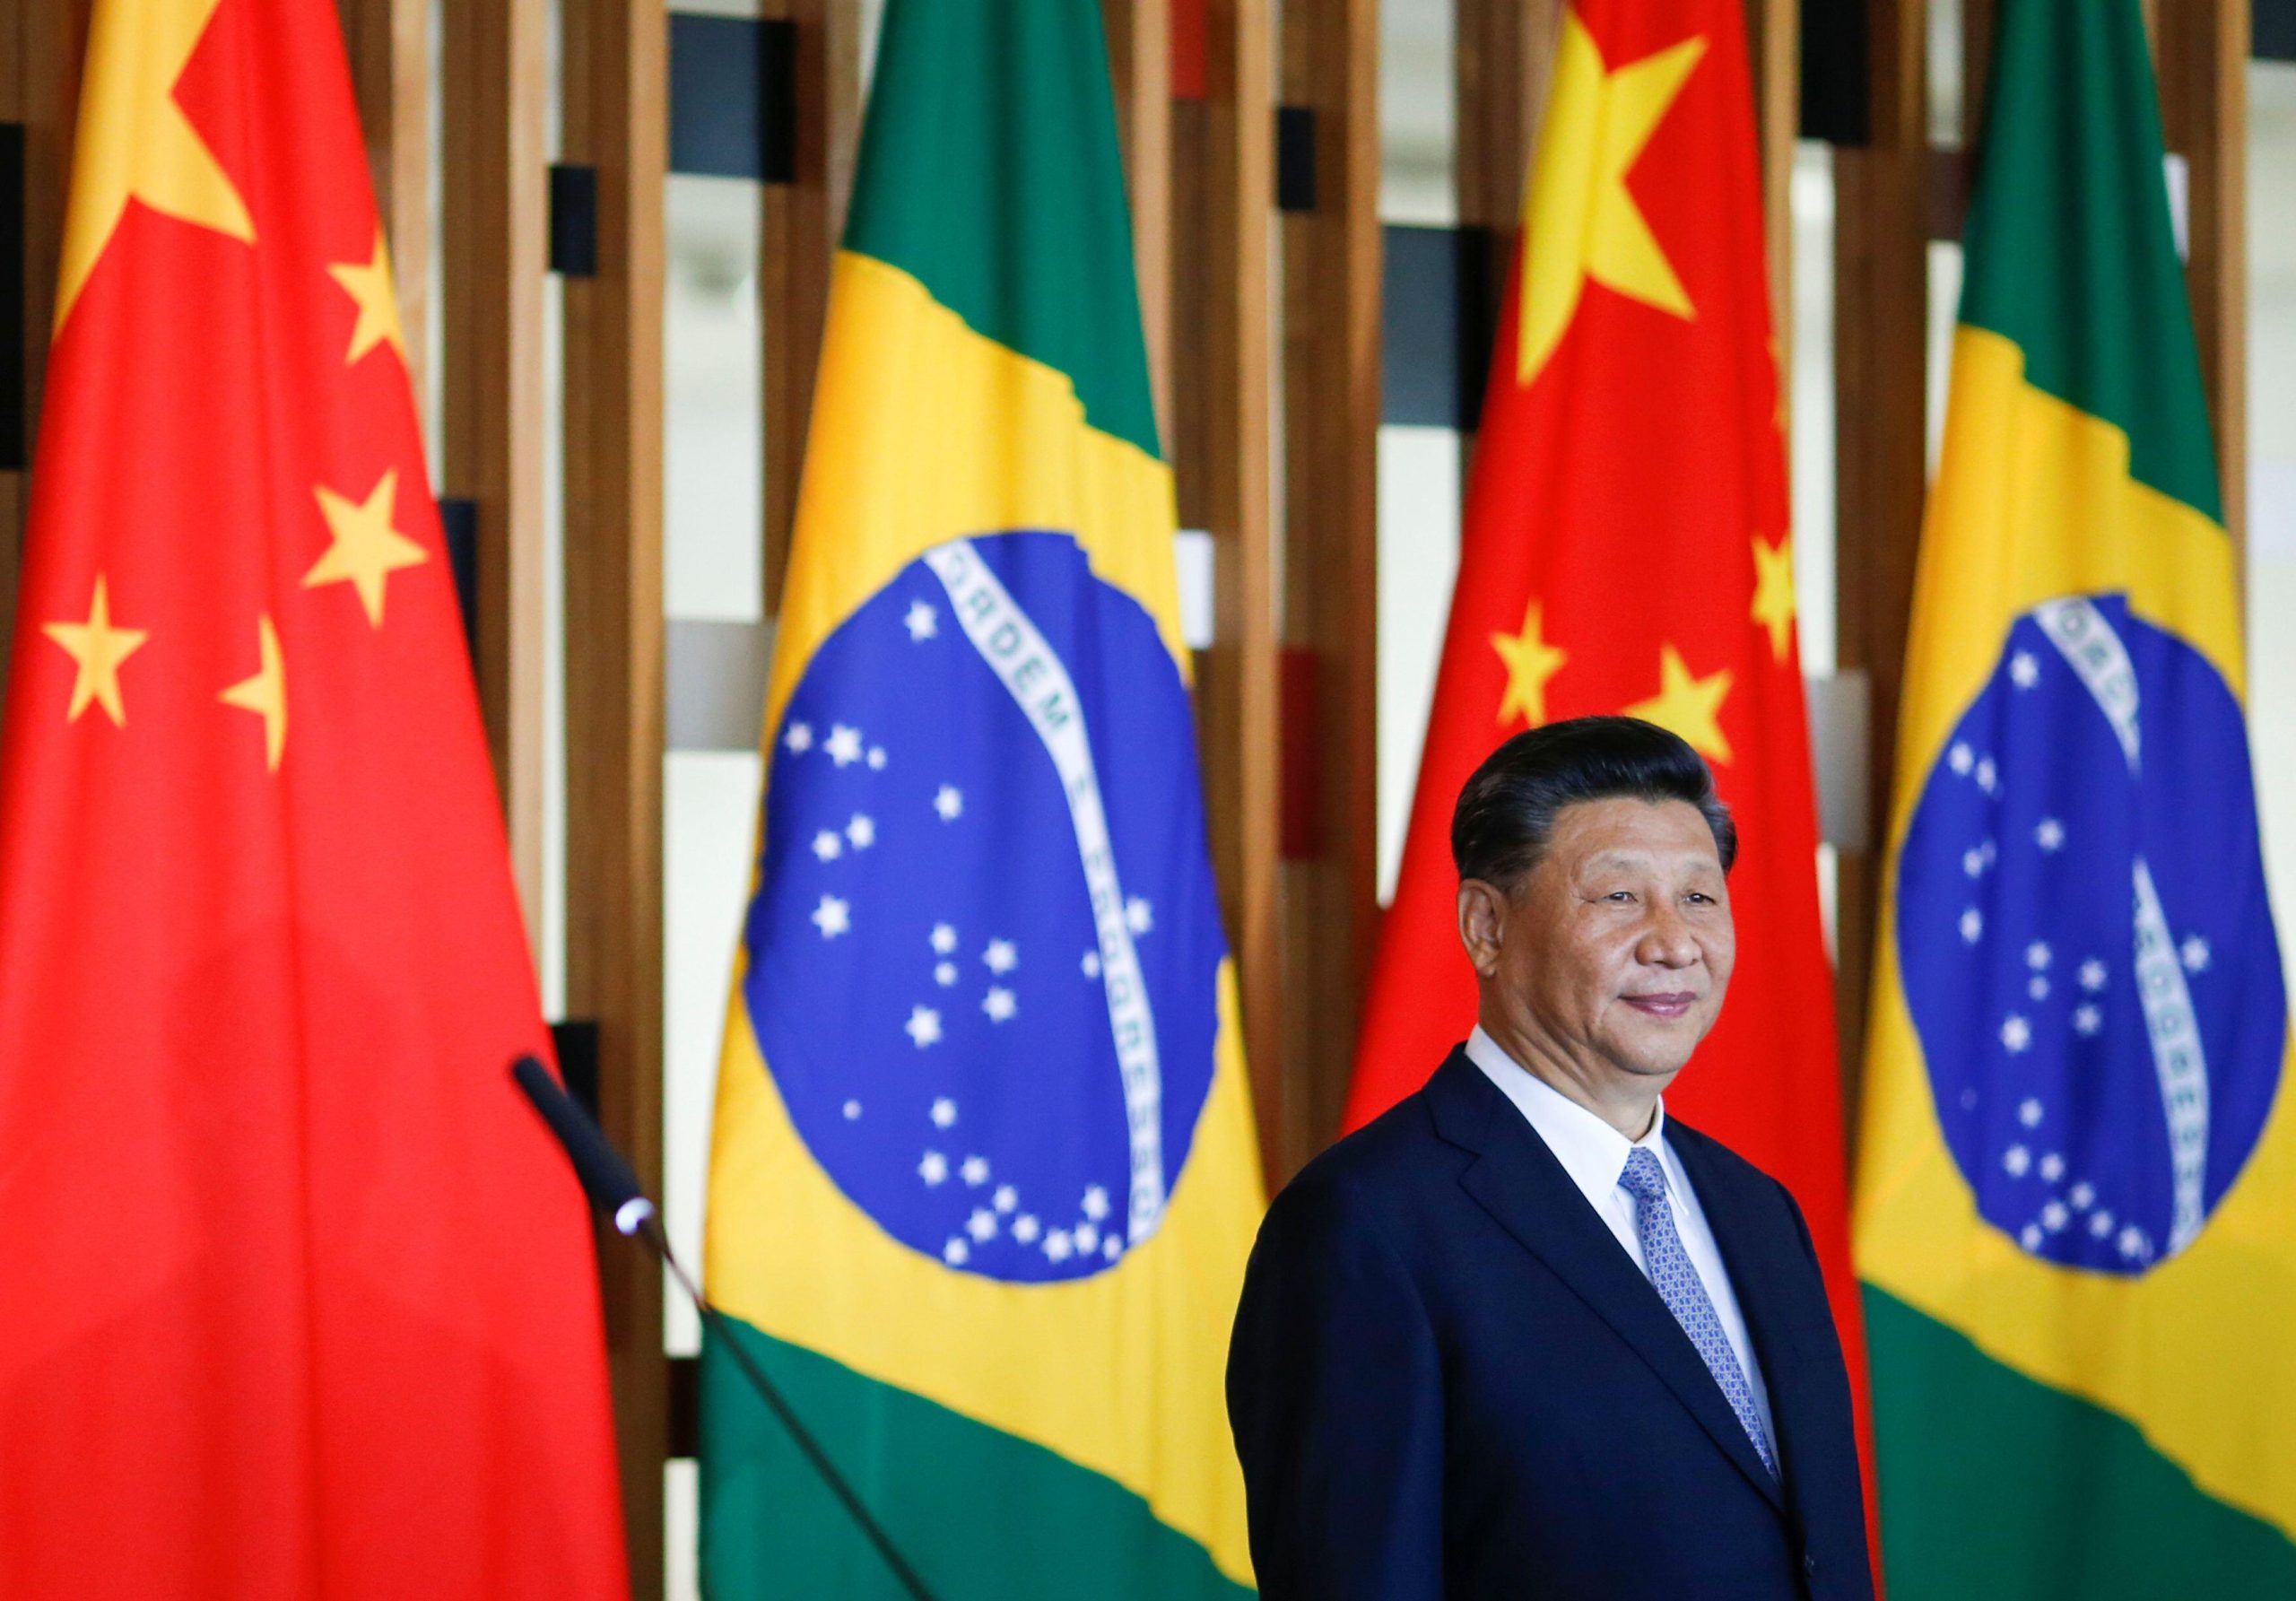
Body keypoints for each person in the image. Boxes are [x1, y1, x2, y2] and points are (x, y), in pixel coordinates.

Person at [1227, 716, 1871, 1600]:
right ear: (1485, 926)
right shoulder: (1363, 1229)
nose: (1674, 943)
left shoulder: (1758, 1209)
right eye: (1617, 898)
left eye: (1699, 897)